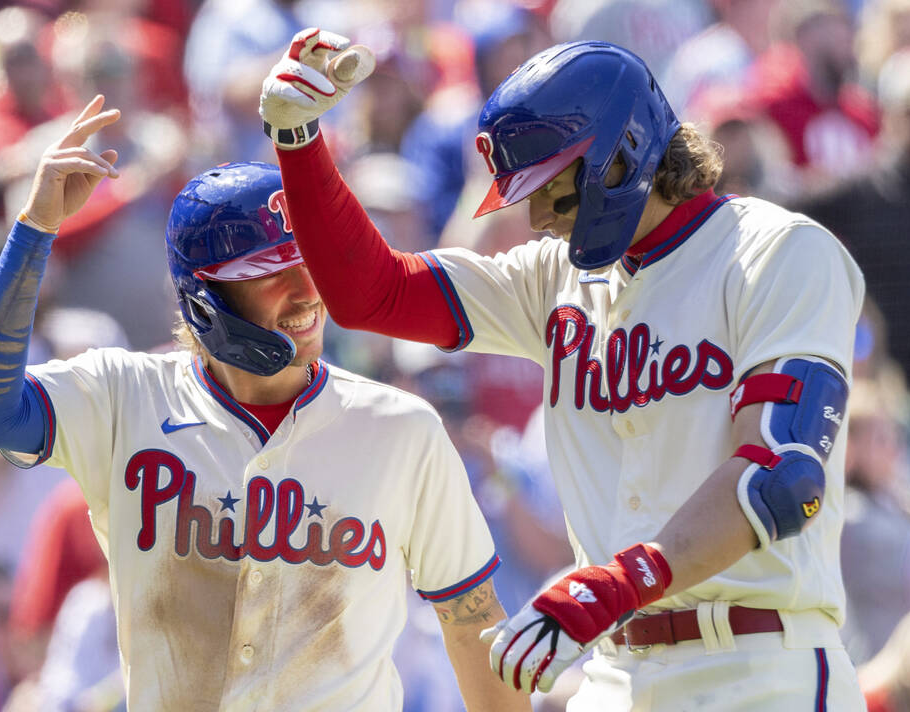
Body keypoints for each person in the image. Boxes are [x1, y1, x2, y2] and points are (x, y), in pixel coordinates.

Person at [259, 31, 867, 709]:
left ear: (622, 151)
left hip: (760, 664)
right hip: (613, 672)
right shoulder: (556, 282)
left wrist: (618, 582)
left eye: (554, 190)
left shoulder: (778, 251)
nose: (540, 219)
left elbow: (784, 476)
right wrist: (299, 141)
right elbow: (373, 294)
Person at [0, 95, 529, 712]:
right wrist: (35, 231)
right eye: (270, 273)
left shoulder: (402, 427)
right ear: (204, 302)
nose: (308, 294)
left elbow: (471, 622)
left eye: (310, 263)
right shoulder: (122, 396)